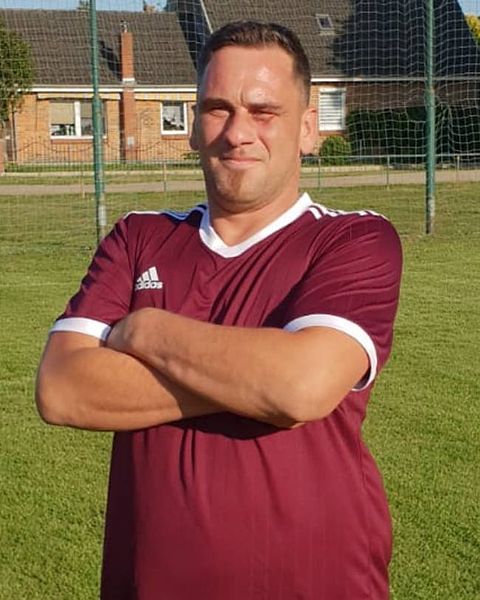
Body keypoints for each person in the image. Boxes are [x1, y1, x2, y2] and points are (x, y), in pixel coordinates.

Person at [36, 20, 402, 600]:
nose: (238, 133)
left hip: (319, 583)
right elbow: (62, 389)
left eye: (264, 111)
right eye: (217, 109)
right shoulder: (139, 237)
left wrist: (146, 329)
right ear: (193, 126)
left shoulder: (352, 239)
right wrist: (254, 378)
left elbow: (299, 387)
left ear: (308, 129)